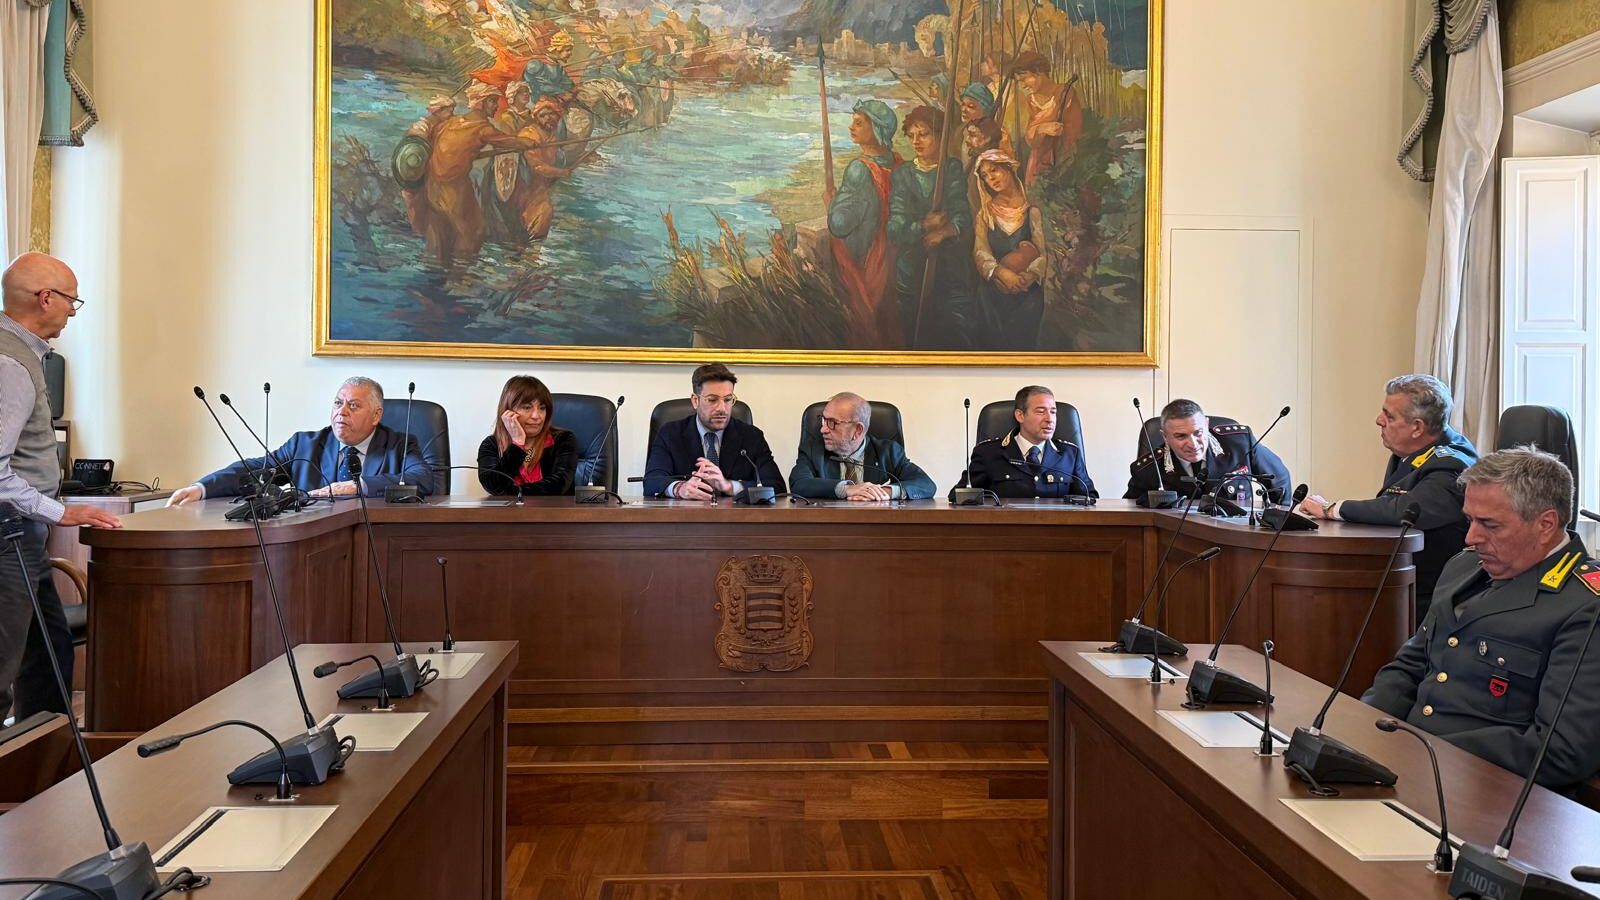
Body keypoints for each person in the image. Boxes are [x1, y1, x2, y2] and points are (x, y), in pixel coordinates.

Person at [1362, 448, 1600, 790]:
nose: (1470, 537)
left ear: (1545, 525)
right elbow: (1409, 666)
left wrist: (1429, 753)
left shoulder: (1584, 605)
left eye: (1489, 524)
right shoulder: (1462, 565)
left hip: (1491, 790)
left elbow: (1562, 750)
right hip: (1406, 764)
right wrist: (1364, 728)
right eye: (1470, 519)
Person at [0, 253, 121, 720]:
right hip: (7, 538)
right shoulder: (11, 365)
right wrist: (61, 511)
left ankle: (45, 758)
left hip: (22, 538)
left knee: (49, 654)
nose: (73, 310)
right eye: (72, 300)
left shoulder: (25, 355)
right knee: (6, 671)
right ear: (46, 298)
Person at [1297, 374, 1478, 606]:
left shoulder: (1452, 465)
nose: (1378, 420)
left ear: (1417, 428)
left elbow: (1404, 509)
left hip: (1428, 597)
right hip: (1400, 581)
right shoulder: (1412, 449)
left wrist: (1331, 509)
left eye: (1389, 416)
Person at [167, 377, 434, 506]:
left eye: (353, 405)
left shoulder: (398, 445)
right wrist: (202, 488)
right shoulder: (305, 445)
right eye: (338, 403)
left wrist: (358, 486)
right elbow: (254, 470)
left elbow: (423, 478)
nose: (341, 412)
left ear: (376, 415)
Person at [887, 105, 973, 349]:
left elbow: (962, 217)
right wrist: (925, 225)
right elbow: (895, 229)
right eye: (911, 136)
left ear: (940, 136)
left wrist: (943, 233)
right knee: (916, 337)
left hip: (950, 270)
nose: (916, 141)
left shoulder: (951, 169)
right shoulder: (902, 175)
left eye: (923, 134)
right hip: (912, 271)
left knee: (956, 335)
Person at [643, 363, 785, 500]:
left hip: (736, 515)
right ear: (695, 401)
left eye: (728, 400)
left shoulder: (752, 437)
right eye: (712, 400)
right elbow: (651, 482)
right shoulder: (670, 434)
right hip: (685, 515)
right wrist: (679, 488)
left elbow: (776, 486)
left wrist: (730, 486)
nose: (722, 408)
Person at [826, 100, 903, 349]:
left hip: (864, 263)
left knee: (864, 327)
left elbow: (839, 224)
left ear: (877, 129)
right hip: (892, 258)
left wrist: (831, 204)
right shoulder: (898, 162)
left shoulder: (859, 170)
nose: (851, 127)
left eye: (859, 123)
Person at [1124, 399, 1292, 506]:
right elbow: (1131, 508)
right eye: (1181, 436)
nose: (1193, 444)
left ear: (1206, 424)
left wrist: (1275, 523)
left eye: (1198, 433)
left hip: (1236, 536)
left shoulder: (1240, 443)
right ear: (1165, 436)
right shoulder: (1148, 468)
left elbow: (1279, 480)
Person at [790, 392, 935, 501]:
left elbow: (926, 484)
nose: (823, 429)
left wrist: (885, 492)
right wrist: (847, 489)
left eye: (832, 422)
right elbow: (798, 483)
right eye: (823, 420)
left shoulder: (888, 451)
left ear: (857, 430)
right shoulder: (812, 449)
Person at [971, 150, 1047, 351]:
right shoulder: (985, 214)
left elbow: (1042, 253)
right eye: (985, 176)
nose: (990, 178)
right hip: (992, 296)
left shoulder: (1032, 211)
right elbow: (980, 253)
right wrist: (1001, 272)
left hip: (1027, 295)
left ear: (1008, 169)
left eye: (994, 170)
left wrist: (1031, 275)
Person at [963, 385, 1093, 499]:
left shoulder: (1070, 454)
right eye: (1041, 411)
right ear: (1020, 415)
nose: (1050, 419)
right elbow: (961, 497)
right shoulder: (988, 453)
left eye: (1053, 412)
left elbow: (1090, 499)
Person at [477, 375, 577, 496]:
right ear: (508, 411)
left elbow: (559, 484)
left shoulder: (563, 439)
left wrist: (513, 492)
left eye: (542, 408)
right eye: (527, 407)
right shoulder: (491, 445)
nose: (536, 416)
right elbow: (492, 486)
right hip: (509, 509)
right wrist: (517, 444)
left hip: (553, 508)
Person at [1011, 51, 1081, 186]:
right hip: (1038, 160)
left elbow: (1075, 131)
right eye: (1020, 82)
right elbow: (1030, 137)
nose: (1023, 85)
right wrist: (1041, 129)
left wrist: (1058, 129)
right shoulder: (1030, 100)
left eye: (1025, 79)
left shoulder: (1064, 93)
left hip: (1063, 157)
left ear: (1038, 72)